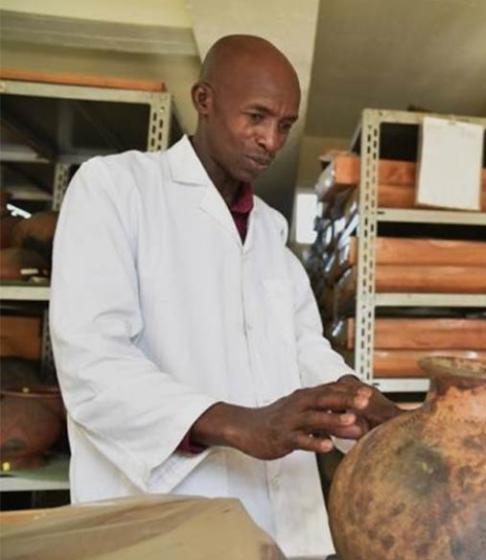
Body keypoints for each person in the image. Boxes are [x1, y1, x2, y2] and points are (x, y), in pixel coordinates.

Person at [50, 35, 399, 557]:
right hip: (166, 527)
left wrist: (357, 403)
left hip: (286, 529)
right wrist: (240, 423)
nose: (271, 141)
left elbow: (304, 351)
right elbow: (91, 361)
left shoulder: (271, 236)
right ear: (205, 100)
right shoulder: (117, 190)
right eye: (256, 117)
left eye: (284, 125)